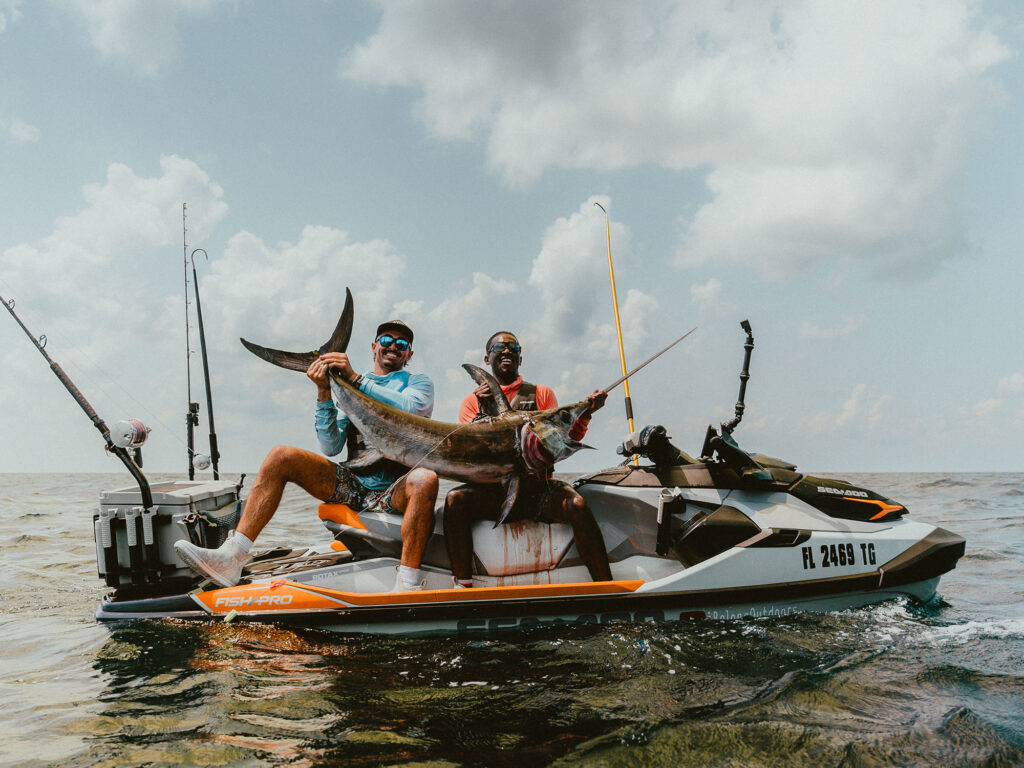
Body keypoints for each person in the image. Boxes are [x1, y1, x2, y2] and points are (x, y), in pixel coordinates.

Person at [174, 319, 439, 592]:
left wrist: (356, 380)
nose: (393, 346)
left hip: (396, 488)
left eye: (401, 343)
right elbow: (331, 446)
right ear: (374, 347)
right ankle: (233, 556)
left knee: (425, 479)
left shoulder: (417, 383)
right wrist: (324, 391)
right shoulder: (349, 385)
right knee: (280, 456)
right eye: (386, 340)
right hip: (354, 486)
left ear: (409, 354)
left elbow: (414, 407)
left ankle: (407, 585)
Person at [444, 331, 612, 586]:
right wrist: (482, 410)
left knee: (577, 506)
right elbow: (473, 453)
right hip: (494, 493)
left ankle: (606, 588)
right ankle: (463, 585)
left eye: (514, 347)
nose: (507, 351)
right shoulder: (470, 402)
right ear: (487, 358)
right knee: (455, 500)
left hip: (538, 491)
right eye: (499, 347)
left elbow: (557, 443)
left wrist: (586, 415)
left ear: (520, 358)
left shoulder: (542, 394)